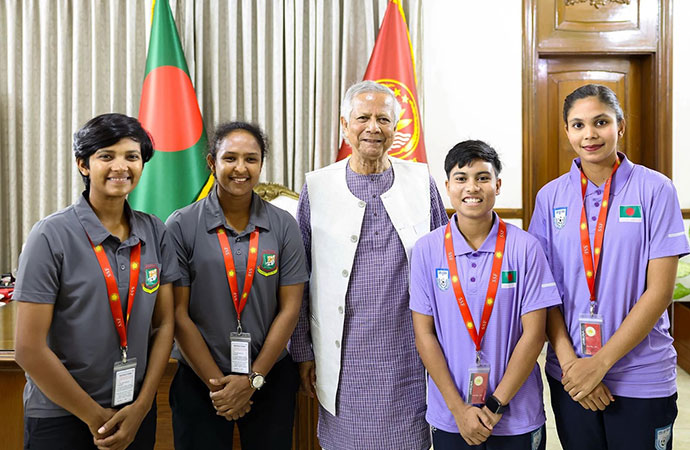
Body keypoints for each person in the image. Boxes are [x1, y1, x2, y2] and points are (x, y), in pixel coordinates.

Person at [528, 84, 690, 450]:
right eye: (578, 125)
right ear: (567, 131)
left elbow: (660, 291)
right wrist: (572, 365)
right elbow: (543, 290)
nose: (589, 134)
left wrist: (599, 363)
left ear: (620, 125)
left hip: (641, 374)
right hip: (571, 375)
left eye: (600, 122)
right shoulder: (550, 197)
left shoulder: (655, 190)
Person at [288, 80, 448, 450]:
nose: (373, 128)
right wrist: (303, 352)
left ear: (396, 127)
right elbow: (299, 279)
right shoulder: (318, 187)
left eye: (383, 119)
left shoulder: (420, 182)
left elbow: (444, 263)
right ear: (345, 125)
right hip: (343, 355)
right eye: (363, 118)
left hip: (408, 351)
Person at [13, 113, 179, 450]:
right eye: (106, 156)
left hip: (133, 411)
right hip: (61, 416)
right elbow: (28, 349)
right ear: (83, 165)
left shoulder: (155, 231)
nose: (121, 166)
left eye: (131, 156)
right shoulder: (50, 235)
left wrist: (143, 405)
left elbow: (164, 324)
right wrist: (95, 417)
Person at [409, 140, 560, 449]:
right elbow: (424, 334)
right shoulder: (426, 250)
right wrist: (458, 409)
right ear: (448, 186)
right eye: (461, 178)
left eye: (482, 177)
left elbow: (534, 335)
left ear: (497, 185)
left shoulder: (525, 248)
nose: (472, 187)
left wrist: (495, 405)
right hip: (451, 415)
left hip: (517, 415)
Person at [166, 121, 308, 449]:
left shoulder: (283, 225)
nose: (240, 168)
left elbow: (290, 308)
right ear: (212, 162)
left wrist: (252, 380)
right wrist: (220, 387)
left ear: (261, 164)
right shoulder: (182, 224)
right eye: (230, 158)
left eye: (251, 159)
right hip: (200, 381)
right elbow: (178, 313)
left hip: (269, 377)